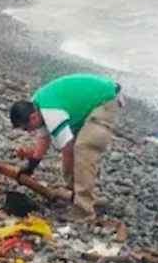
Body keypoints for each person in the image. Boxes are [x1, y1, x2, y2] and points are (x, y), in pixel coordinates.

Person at [9, 74, 121, 221]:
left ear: (33, 118)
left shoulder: (50, 113)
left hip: (104, 102)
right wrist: (30, 167)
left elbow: (68, 152)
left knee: (83, 149)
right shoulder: (36, 106)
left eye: (26, 128)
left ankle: (84, 210)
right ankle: (83, 196)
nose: (29, 131)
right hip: (86, 106)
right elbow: (44, 139)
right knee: (76, 152)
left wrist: (70, 175)